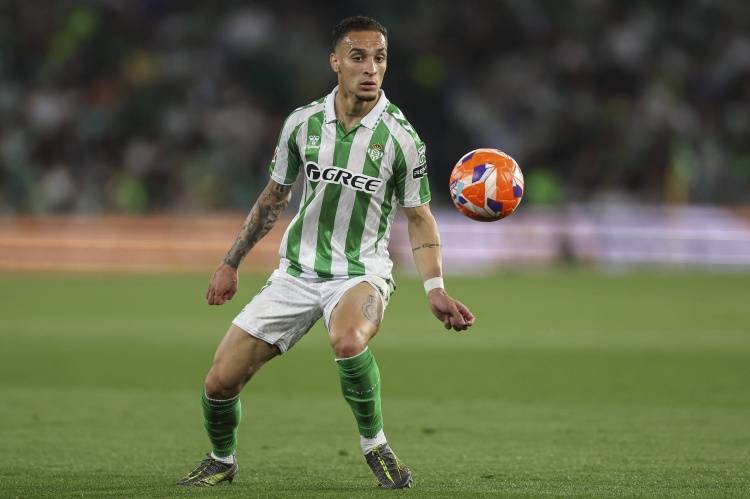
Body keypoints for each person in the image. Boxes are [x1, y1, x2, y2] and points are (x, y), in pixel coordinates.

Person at [177, 15, 475, 489]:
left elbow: (420, 217)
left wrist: (435, 288)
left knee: (349, 341)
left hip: (360, 271)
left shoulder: (402, 139)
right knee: (219, 382)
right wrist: (230, 262)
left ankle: (375, 445)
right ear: (335, 62)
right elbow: (273, 198)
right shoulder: (302, 123)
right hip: (296, 272)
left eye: (380, 58)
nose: (371, 68)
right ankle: (221, 459)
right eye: (358, 57)